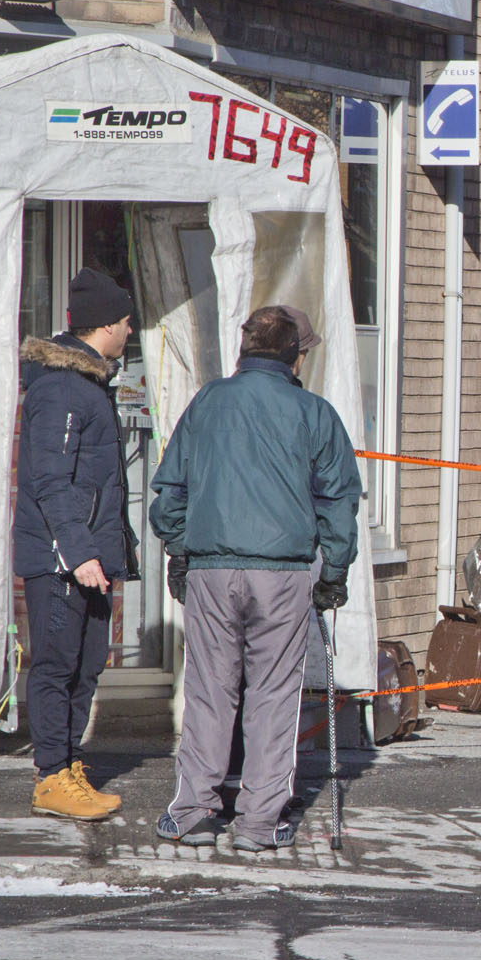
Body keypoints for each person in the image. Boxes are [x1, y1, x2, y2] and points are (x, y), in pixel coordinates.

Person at [149, 305, 361, 850]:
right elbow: (338, 500)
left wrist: (178, 549)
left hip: (213, 572)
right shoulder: (313, 412)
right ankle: (259, 824)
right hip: (282, 575)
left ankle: (194, 812)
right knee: (272, 695)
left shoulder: (208, 402)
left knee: (209, 691)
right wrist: (333, 572)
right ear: (295, 355)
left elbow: (170, 490)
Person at [13, 268, 138, 820]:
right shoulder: (61, 387)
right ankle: (50, 776)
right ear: (106, 326)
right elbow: (48, 479)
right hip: (63, 560)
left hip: (89, 556)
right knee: (57, 667)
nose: (131, 332)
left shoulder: (88, 385)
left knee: (86, 666)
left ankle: (67, 766)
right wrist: (80, 551)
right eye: (127, 322)